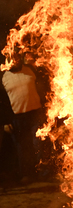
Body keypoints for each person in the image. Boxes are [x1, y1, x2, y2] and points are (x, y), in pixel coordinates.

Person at [1, 50, 47, 183]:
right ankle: (27, 175)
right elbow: (2, 101)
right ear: (7, 59)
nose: (15, 60)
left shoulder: (30, 70)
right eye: (12, 58)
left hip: (36, 113)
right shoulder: (3, 76)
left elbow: (42, 87)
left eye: (17, 57)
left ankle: (43, 173)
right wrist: (5, 122)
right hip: (17, 117)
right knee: (22, 147)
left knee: (39, 143)